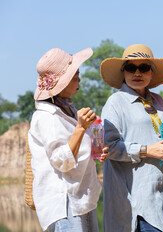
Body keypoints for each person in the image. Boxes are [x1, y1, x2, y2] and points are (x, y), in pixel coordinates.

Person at [100, 44, 163, 232]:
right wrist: (147, 150)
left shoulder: (159, 101)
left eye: (143, 67)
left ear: (151, 73)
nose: (137, 72)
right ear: (123, 72)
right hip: (135, 202)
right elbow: (110, 146)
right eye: (131, 68)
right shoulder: (115, 102)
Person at [28, 48, 108, 232]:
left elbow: (75, 149)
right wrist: (80, 128)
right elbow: (62, 161)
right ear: (61, 84)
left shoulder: (67, 111)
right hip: (64, 202)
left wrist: (95, 152)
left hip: (80, 198)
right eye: (75, 76)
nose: (79, 80)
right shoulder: (46, 117)